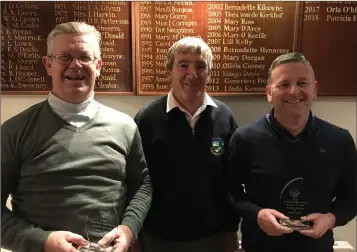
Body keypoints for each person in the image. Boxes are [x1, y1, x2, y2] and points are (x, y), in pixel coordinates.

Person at [1, 22, 152, 252]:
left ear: (99, 66)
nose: (75, 65)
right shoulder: (15, 130)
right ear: (48, 64)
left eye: (85, 56)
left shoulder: (125, 127)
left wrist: (129, 229)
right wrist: (42, 241)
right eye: (65, 57)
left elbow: (142, 185)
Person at [226, 52, 357, 252]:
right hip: (259, 247)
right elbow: (229, 191)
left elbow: (352, 195)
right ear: (269, 93)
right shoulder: (245, 139)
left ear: (315, 90)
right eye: (284, 84)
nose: (294, 91)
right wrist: (256, 214)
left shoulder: (339, 140)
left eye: (302, 83)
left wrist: (331, 219)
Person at [134, 37, 240, 252]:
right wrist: (135, 236)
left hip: (214, 238)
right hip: (158, 239)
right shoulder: (146, 119)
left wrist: (231, 232)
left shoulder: (224, 117)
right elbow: (136, 183)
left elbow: (232, 181)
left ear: (209, 73)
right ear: (169, 72)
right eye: (183, 65)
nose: (192, 74)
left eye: (201, 66)